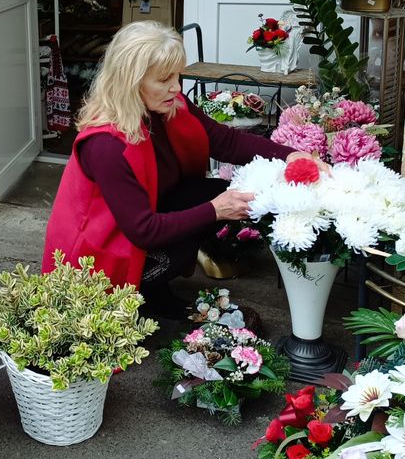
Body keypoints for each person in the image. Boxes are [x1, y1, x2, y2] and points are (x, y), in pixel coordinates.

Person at [42, 20, 316, 319]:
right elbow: (143, 230)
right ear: (130, 81)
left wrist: (293, 156)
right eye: (164, 79)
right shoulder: (105, 144)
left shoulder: (166, 105)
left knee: (216, 193)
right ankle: (142, 295)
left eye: (177, 76)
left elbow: (226, 141)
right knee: (209, 208)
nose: (176, 87)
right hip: (96, 260)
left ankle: (156, 292)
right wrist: (215, 210)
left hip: (136, 227)